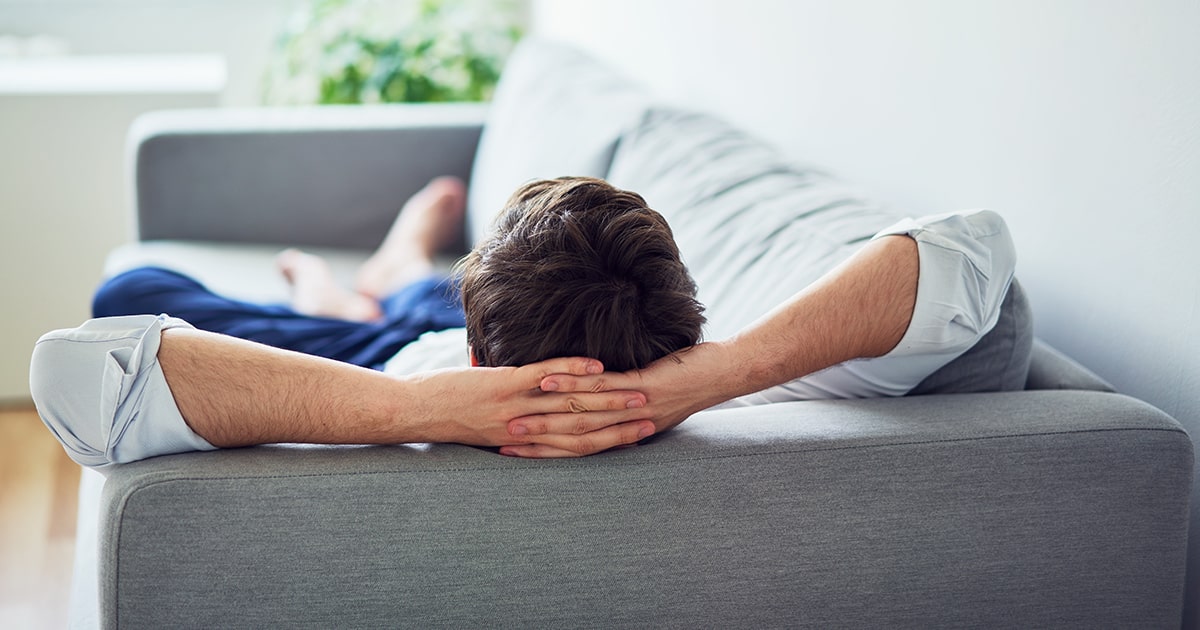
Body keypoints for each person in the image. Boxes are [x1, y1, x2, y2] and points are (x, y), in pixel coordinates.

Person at [31, 174, 1016, 466]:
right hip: (431, 344)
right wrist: (701, 377)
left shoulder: (433, 402)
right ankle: (399, 264)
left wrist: (423, 409)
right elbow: (971, 251)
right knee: (399, 296)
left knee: (135, 287)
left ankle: (369, 277)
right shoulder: (781, 379)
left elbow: (77, 370)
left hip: (387, 368)